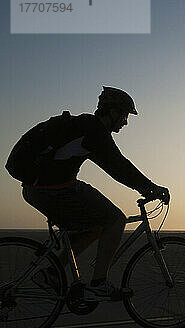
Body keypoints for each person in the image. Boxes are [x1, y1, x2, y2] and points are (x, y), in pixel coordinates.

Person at [9, 86, 169, 300]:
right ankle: (99, 283)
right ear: (111, 111)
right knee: (115, 219)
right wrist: (151, 188)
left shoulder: (84, 127)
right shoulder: (94, 132)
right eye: (123, 115)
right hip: (53, 190)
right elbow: (118, 167)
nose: (125, 121)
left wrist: (145, 186)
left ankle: (51, 274)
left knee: (95, 226)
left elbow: (117, 166)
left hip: (37, 190)